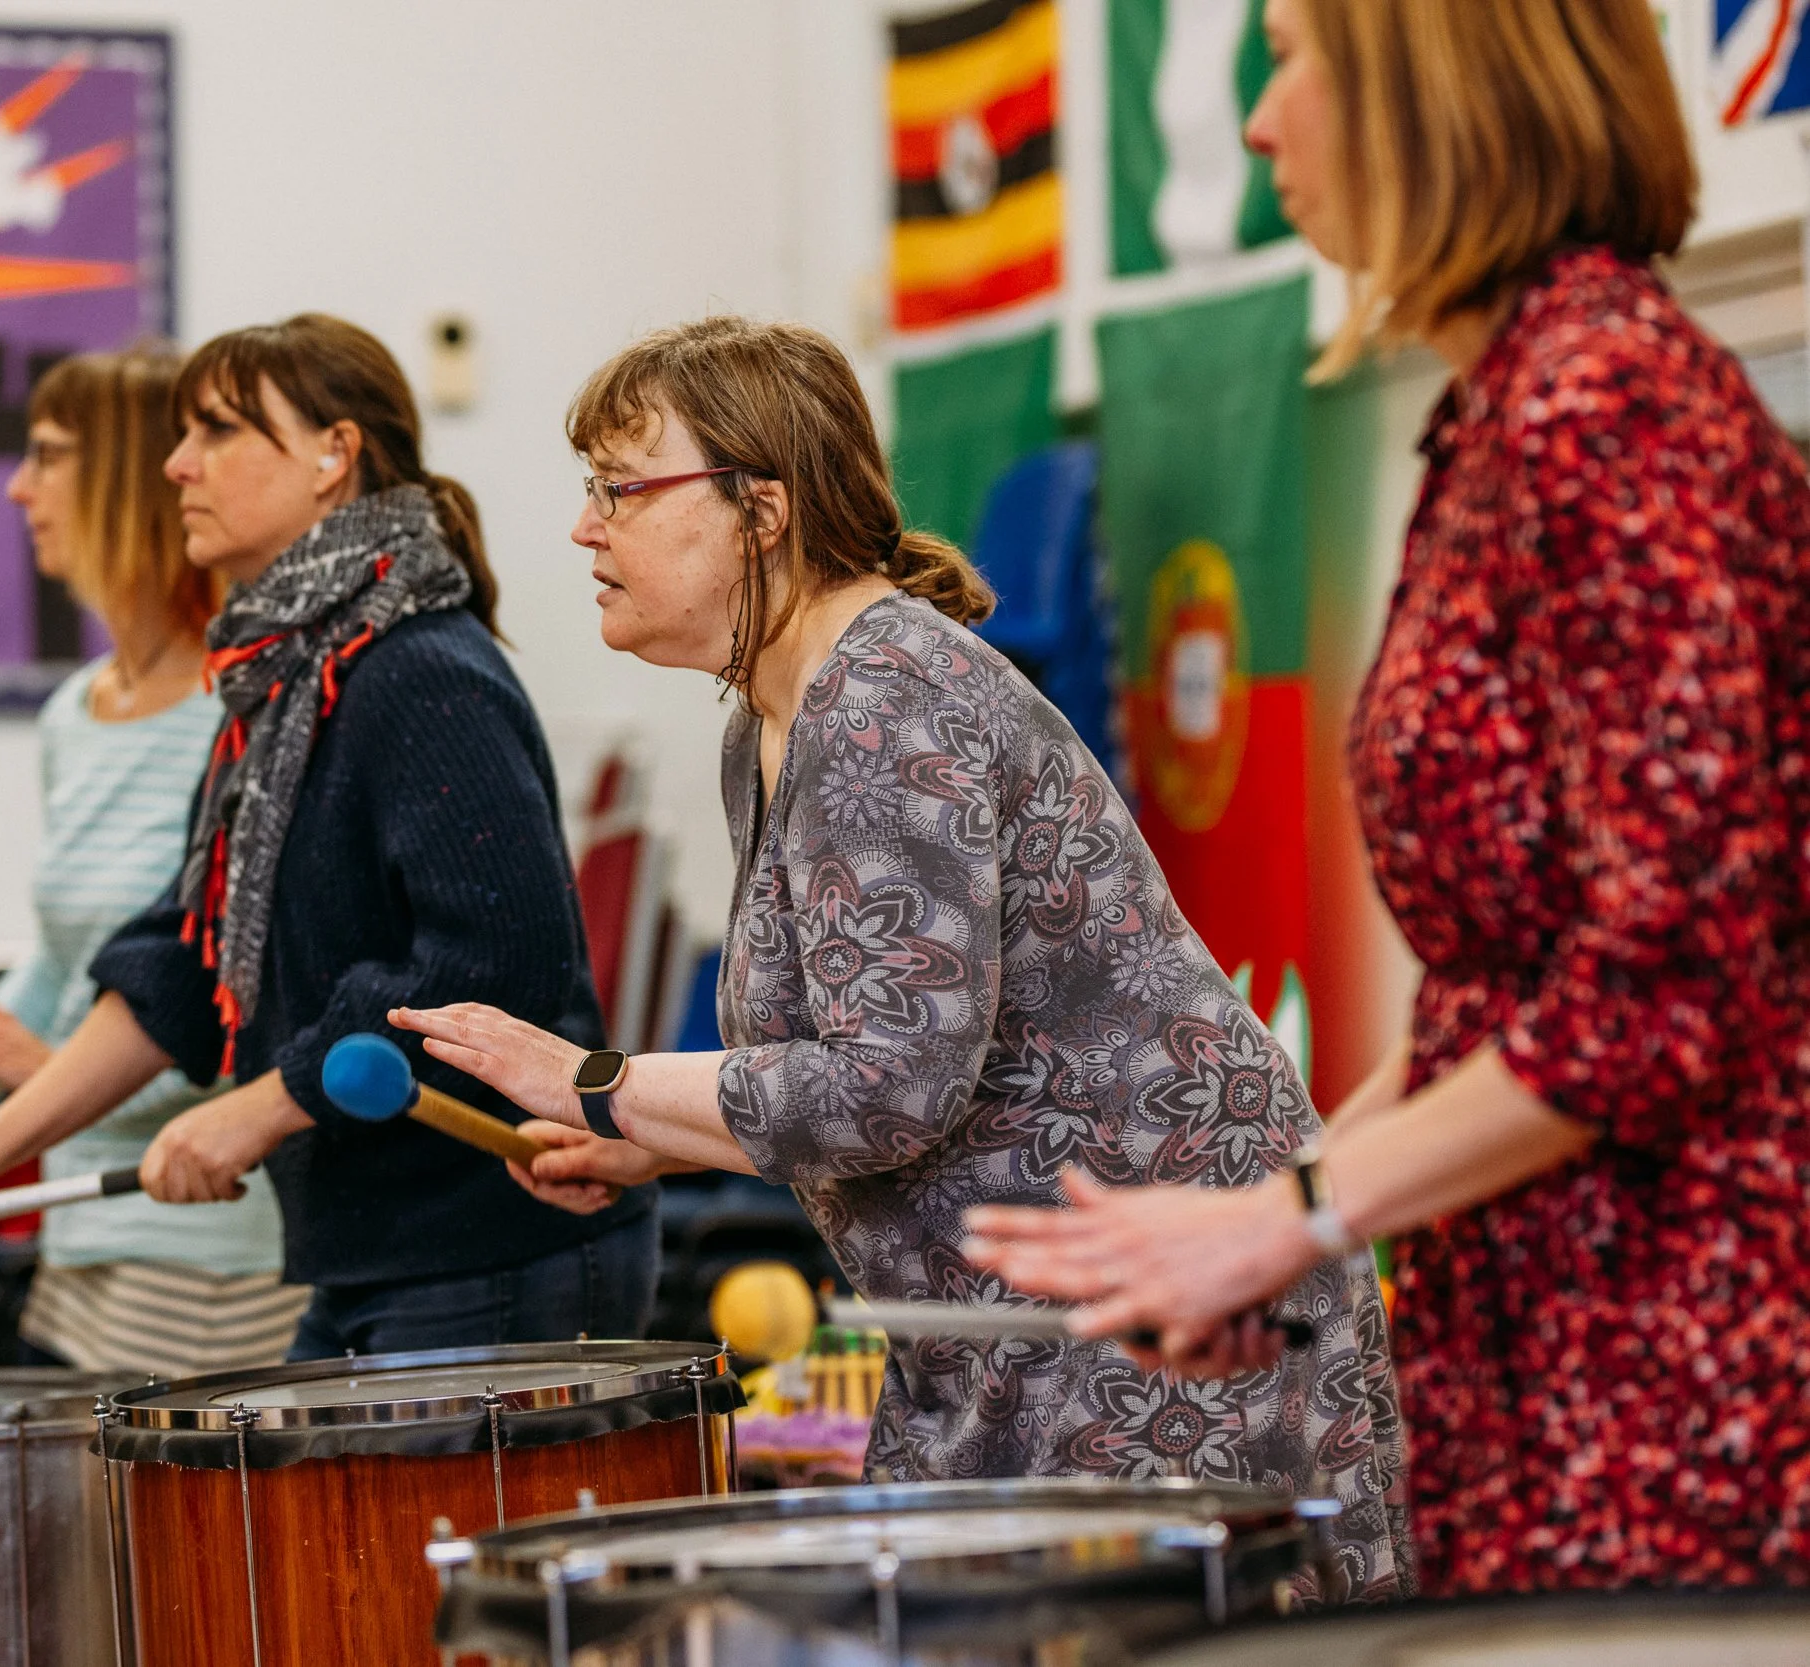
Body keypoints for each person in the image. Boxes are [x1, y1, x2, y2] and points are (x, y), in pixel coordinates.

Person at [961, 0, 1810, 1596]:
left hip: (1675, 1365)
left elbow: (1673, 980)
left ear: (1437, 87)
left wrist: (1295, 1212)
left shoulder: (1604, 408)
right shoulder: (1500, 410)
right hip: (1538, 1332)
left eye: (1294, 58)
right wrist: (1269, 1226)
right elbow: (1507, 998)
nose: (1264, 121)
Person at [389, 316, 1408, 1598]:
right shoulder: (768, 714)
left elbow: (887, 1087)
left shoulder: (881, 700)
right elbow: (883, 1076)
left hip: (1161, 1314)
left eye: (619, 490)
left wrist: (600, 1079)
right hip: (1028, 1326)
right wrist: (664, 1131)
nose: (587, 527)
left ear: (762, 506)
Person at [0, 315, 659, 1356]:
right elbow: (181, 962)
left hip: (489, 1246)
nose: (175, 465)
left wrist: (262, 1106)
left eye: (215, 433)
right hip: (367, 1248)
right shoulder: (282, 680)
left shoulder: (419, 669)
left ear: (332, 455)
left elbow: (491, 961)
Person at [0, 344, 305, 1376]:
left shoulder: (253, 705)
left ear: (130, 471)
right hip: (83, 1233)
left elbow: (242, 1003)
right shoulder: (72, 712)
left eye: (47, 455)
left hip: (215, 1247)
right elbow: (62, 963)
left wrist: (46, 1084)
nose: (16, 486)